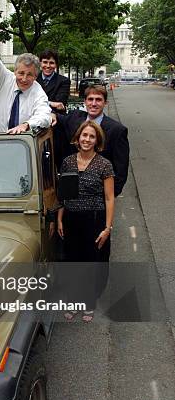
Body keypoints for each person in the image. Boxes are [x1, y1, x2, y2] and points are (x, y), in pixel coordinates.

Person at [57, 120, 115, 323]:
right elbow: (63, 195)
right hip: (72, 219)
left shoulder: (104, 165)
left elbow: (109, 198)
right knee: (73, 264)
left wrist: (107, 228)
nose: (87, 139)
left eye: (91, 136)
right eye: (84, 135)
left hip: (94, 220)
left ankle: (89, 303)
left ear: (97, 140)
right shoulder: (67, 162)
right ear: (78, 137)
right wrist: (60, 218)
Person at [0, 14, 51, 133]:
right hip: (1, 141)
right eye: (21, 73)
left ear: (36, 76)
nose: (24, 78)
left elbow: (44, 116)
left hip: (24, 144)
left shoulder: (38, 93)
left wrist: (27, 124)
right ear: (14, 71)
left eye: (29, 75)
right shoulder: (4, 79)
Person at [52, 84, 129, 196]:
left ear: (105, 103)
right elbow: (57, 118)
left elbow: (121, 170)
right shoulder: (74, 117)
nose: (93, 104)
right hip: (70, 194)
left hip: (98, 197)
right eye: (90, 99)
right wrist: (52, 114)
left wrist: (108, 196)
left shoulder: (117, 130)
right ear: (85, 102)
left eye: (98, 100)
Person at [37, 49, 70, 113]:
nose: (48, 66)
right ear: (40, 63)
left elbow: (60, 105)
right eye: (45, 62)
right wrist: (51, 103)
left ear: (56, 65)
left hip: (55, 118)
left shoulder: (64, 81)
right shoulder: (33, 78)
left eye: (51, 63)